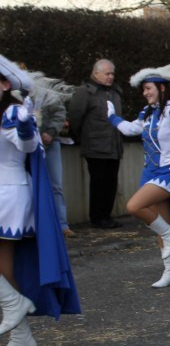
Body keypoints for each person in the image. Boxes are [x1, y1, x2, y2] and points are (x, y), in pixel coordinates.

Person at [0, 57, 80, 346]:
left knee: (5, 263)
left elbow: (29, 146)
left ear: (6, 85)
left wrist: (24, 125)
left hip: (10, 195)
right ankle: (21, 335)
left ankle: (15, 308)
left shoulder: (12, 113)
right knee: (5, 265)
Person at [107, 64, 170, 287]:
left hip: (168, 173)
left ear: (161, 88)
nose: (145, 93)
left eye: (148, 88)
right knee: (160, 223)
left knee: (134, 207)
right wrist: (112, 117)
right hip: (151, 172)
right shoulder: (149, 112)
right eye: (143, 90)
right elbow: (132, 129)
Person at [67, 58, 125, 229]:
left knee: (111, 182)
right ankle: (98, 217)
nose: (111, 77)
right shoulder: (85, 92)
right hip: (95, 146)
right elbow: (76, 118)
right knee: (99, 182)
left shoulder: (114, 92)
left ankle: (106, 216)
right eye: (107, 73)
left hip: (113, 145)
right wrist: (81, 138)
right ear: (96, 73)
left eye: (112, 73)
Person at [27, 65, 74, 237]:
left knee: (55, 184)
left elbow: (59, 114)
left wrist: (51, 132)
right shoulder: (16, 97)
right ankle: (34, 224)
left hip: (49, 143)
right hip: (28, 146)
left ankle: (62, 224)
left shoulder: (47, 94)